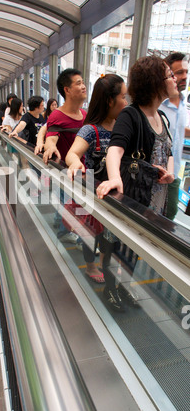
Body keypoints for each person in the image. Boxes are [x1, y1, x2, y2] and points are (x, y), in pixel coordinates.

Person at [66, 74, 127, 291]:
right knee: (89, 234)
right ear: (110, 101)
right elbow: (72, 154)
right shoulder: (90, 130)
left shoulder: (124, 127)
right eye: (123, 96)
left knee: (107, 237)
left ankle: (104, 264)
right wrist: (75, 163)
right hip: (92, 195)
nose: (126, 102)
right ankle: (91, 266)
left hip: (113, 196)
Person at [96, 55, 176, 218]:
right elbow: (115, 150)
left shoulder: (163, 118)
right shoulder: (131, 115)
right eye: (170, 75)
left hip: (158, 203)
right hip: (136, 201)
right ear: (155, 82)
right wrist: (114, 178)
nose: (175, 79)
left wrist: (170, 174)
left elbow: (169, 152)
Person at [43, 68, 88, 243]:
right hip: (66, 173)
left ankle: (60, 223)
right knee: (69, 204)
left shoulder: (85, 114)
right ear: (66, 90)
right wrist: (49, 146)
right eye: (78, 83)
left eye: (83, 82)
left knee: (68, 204)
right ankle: (64, 232)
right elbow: (51, 138)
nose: (84, 86)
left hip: (83, 172)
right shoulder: (57, 115)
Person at [160, 52, 190, 220]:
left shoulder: (183, 102)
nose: (184, 76)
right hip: (155, 175)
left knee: (170, 214)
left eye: (186, 71)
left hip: (174, 173)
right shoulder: (159, 104)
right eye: (179, 73)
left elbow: (179, 130)